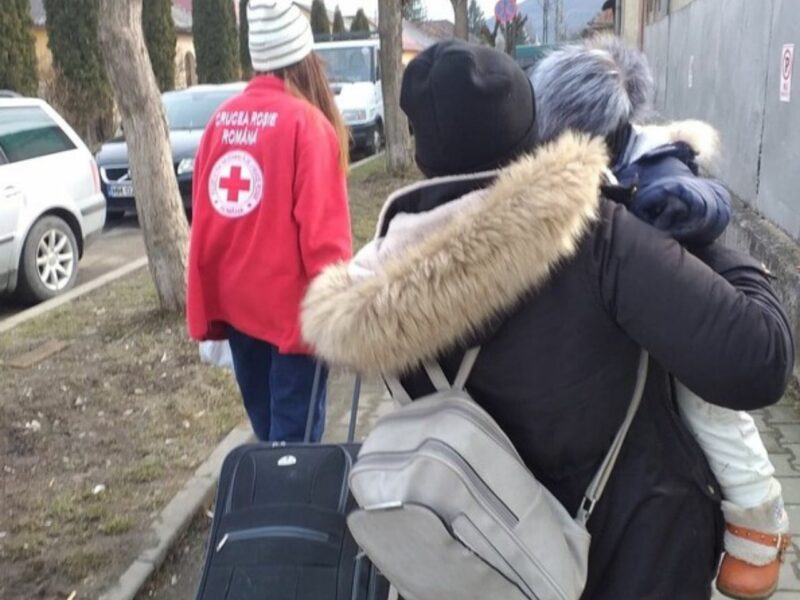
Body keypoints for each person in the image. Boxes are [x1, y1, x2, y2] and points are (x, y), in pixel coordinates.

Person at [301, 40, 794, 599]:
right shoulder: (599, 237)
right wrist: (706, 238)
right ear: (531, 123)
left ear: (419, 151)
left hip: (495, 571)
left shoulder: (381, 286)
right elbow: (759, 361)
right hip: (641, 563)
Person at [532, 36, 790, 600]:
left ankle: (759, 520)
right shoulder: (592, 195)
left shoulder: (648, 170)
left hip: (678, 327)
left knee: (709, 408)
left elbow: (707, 202)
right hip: (632, 518)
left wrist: (678, 218)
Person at [187, 0, 352, 443]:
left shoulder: (221, 121)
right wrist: (342, 314)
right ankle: (286, 490)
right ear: (305, 57)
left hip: (240, 312)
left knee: (269, 436)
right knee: (294, 451)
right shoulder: (308, 125)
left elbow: (205, 219)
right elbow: (325, 243)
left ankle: (271, 485)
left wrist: (208, 298)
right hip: (294, 319)